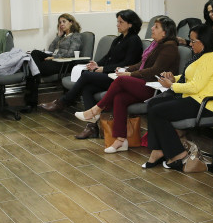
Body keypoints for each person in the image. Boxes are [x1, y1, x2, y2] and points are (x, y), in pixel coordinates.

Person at [75, 17, 180, 153]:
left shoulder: (169, 47)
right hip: (146, 83)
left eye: (156, 27)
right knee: (120, 98)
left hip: (156, 88)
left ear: (165, 33)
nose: (152, 29)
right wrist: (126, 69)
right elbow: (141, 65)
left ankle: (96, 110)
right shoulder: (157, 45)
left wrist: (129, 75)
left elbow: (154, 71)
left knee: (121, 81)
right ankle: (121, 140)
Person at [39, 10, 144, 140]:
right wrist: (96, 64)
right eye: (117, 21)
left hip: (120, 78)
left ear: (130, 24)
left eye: (121, 22)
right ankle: (92, 128)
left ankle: (63, 102)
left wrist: (103, 68)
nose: (117, 24)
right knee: (87, 88)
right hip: (110, 74)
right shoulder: (118, 39)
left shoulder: (134, 40)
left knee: (86, 76)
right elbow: (107, 57)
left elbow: (128, 63)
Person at [142, 25, 213, 170]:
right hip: (193, 98)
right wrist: (173, 79)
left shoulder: (212, 58)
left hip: (204, 104)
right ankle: (158, 150)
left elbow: (195, 86)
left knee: (158, 111)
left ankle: (177, 154)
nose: (190, 44)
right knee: (153, 104)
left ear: (204, 41)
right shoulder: (202, 56)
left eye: (193, 41)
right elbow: (190, 77)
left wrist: (172, 86)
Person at [24, 13, 82, 107]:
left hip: (63, 63)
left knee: (32, 70)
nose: (61, 24)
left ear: (71, 22)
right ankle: (36, 76)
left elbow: (70, 54)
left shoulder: (76, 36)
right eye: (60, 22)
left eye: (64, 21)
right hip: (54, 60)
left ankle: (31, 100)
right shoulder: (62, 37)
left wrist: (54, 57)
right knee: (34, 53)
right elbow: (50, 49)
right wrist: (58, 36)